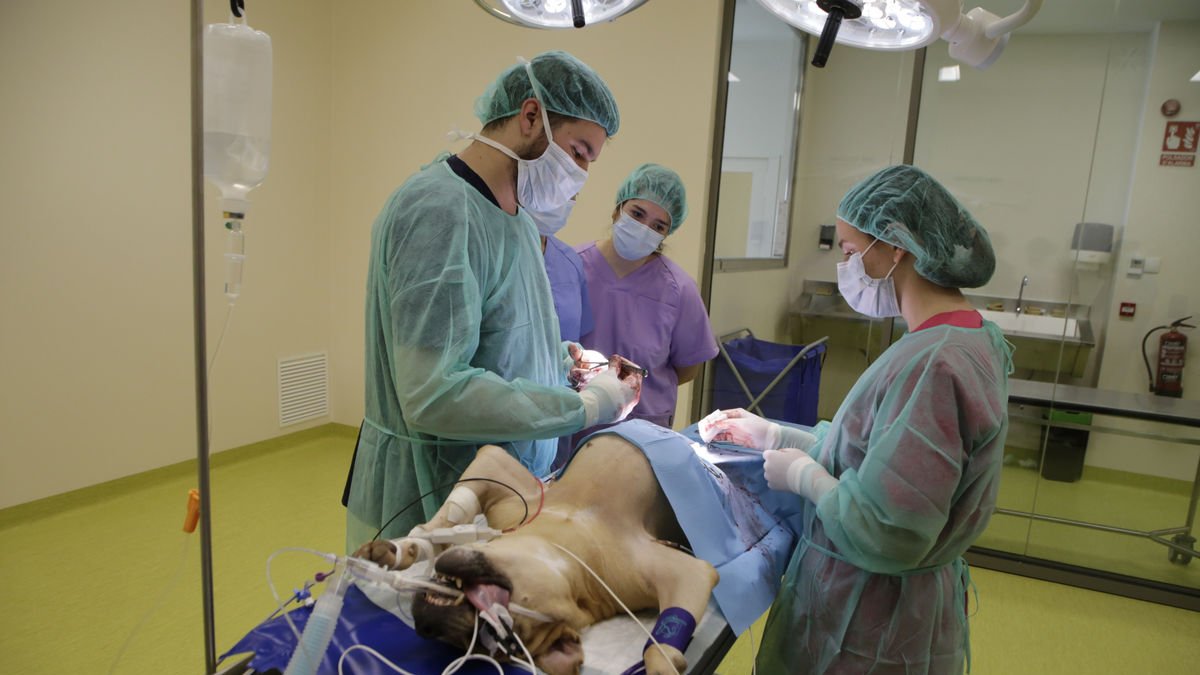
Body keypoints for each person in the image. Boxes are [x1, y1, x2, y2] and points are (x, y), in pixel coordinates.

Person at [702, 165, 1012, 674]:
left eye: (850, 252)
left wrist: (805, 477)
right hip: (895, 608)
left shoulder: (933, 365)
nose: (845, 266)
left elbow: (887, 530)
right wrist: (779, 435)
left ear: (896, 247)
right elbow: (880, 459)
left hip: (871, 624)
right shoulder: (967, 337)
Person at [344, 51, 642, 551]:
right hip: (428, 494)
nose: (583, 172)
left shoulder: (518, 220)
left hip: (502, 492)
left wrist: (558, 362)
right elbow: (433, 393)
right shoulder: (439, 211)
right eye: (580, 151)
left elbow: (500, 332)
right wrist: (583, 406)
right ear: (531, 117)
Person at [573, 163, 718, 433]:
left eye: (658, 225)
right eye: (637, 213)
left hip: (641, 427)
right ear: (618, 209)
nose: (643, 228)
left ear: (666, 234)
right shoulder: (571, 267)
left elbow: (687, 369)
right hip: (575, 421)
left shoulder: (679, 290)